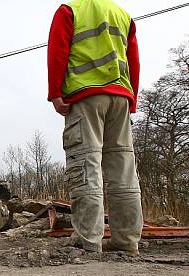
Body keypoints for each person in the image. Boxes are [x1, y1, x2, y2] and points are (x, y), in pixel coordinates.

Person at [47, 0, 142, 256]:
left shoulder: (70, 10)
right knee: (123, 169)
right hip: (121, 96)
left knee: (85, 165)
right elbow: (133, 59)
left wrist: (56, 92)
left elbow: (58, 52)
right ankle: (127, 241)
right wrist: (131, 99)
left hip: (85, 97)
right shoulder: (122, 15)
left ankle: (88, 242)